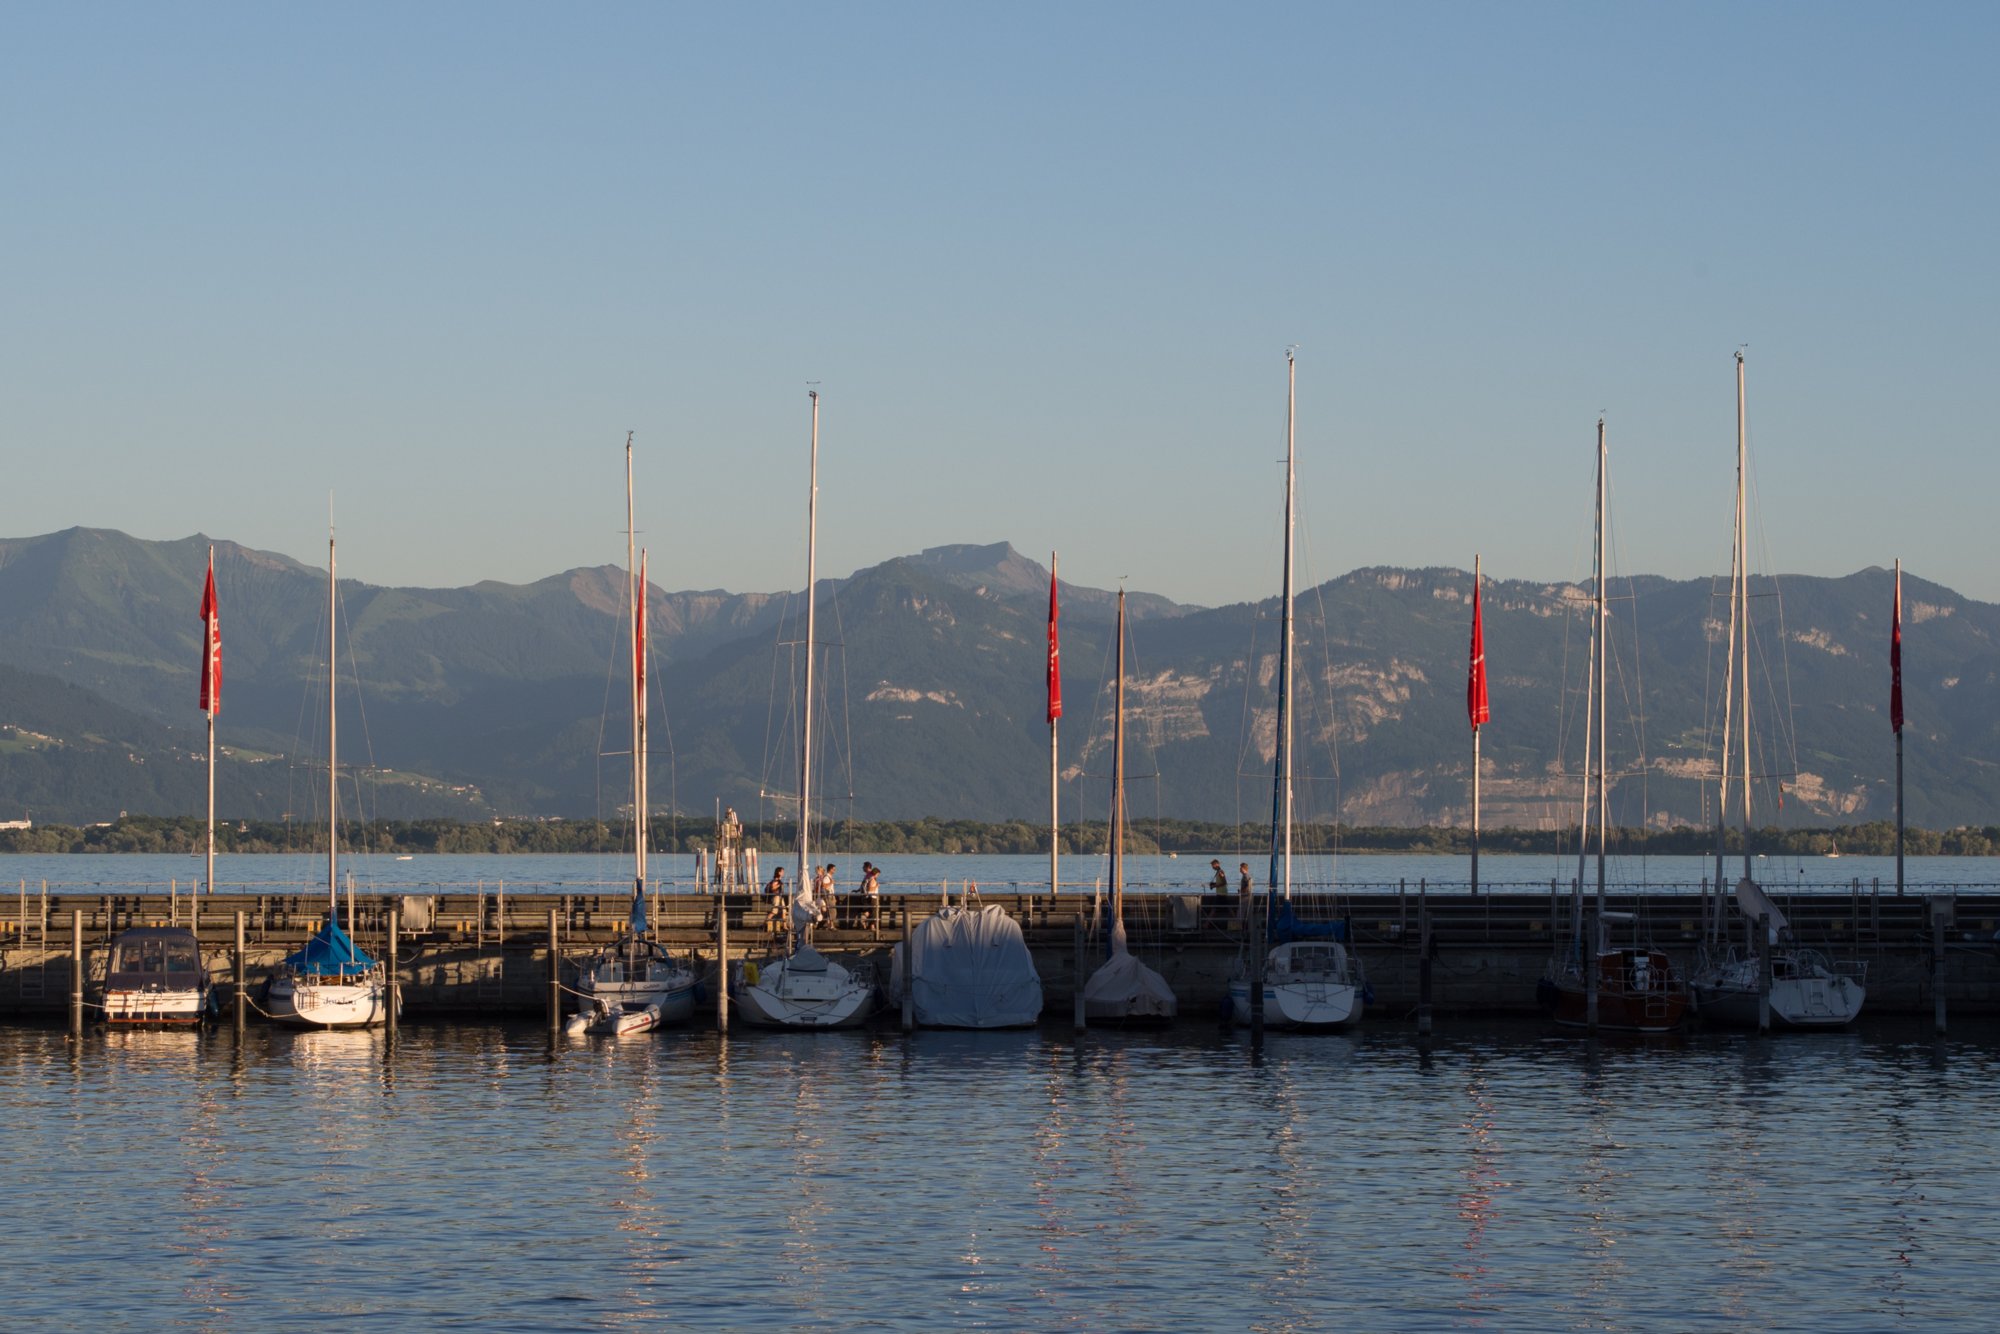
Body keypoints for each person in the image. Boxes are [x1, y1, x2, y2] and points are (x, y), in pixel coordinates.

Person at [859, 861, 881, 930]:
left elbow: (865, 885)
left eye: (863, 867)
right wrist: (877, 886)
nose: (862, 868)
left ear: (867, 867)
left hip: (866, 896)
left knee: (868, 911)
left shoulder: (868, 876)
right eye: (878, 874)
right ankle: (869, 925)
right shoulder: (871, 877)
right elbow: (870, 888)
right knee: (872, 912)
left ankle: (866, 924)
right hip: (869, 896)